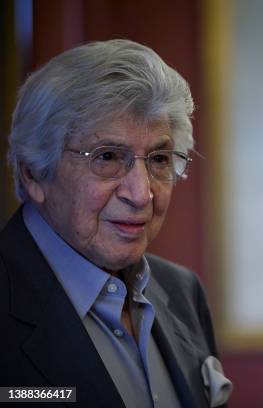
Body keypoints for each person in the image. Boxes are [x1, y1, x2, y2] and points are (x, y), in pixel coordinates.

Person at [0, 39, 232, 408]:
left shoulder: (182, 292)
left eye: (158, 158)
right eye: (107, 156)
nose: (142, 194)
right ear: (33, 174)